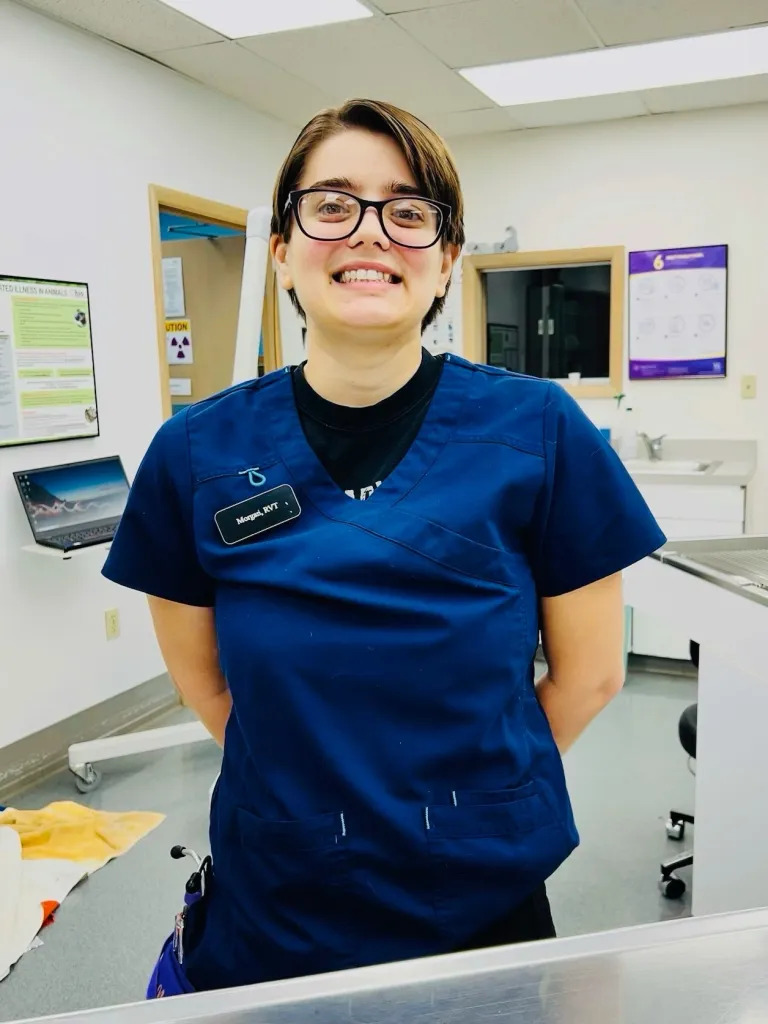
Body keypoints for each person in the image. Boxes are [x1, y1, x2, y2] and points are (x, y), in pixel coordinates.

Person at [103, 98, 665, 997]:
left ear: (446, 258)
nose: (369, 233)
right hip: (278, 893)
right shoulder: (197, 452)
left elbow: (591, 675)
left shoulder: (539, 431)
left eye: (408, 212)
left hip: (480, 894)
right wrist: (308, 802)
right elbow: (206, 683)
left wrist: (467, 803)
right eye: (331, 204)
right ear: (283, 246)